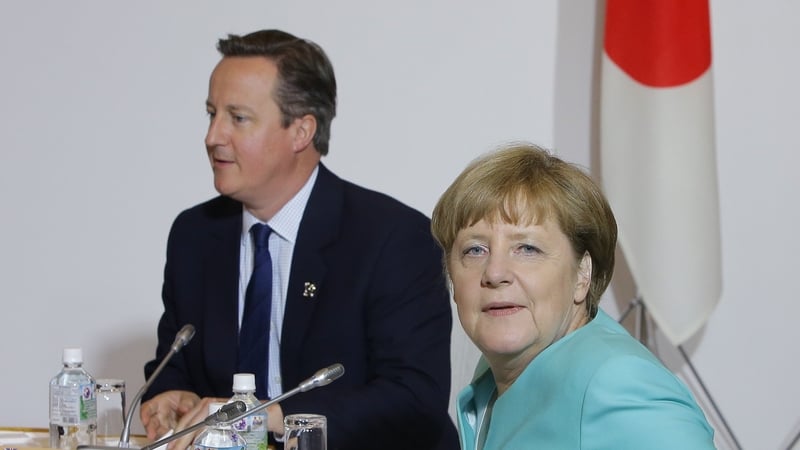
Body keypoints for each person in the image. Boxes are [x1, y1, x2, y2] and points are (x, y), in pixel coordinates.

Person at [139, 29, 458, 450]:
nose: (212, 136)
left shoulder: (391, 238)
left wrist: (272, 416)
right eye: (211, 113)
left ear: (301, 131)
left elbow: (414, 398)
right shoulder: (195, 236)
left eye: (237, 118)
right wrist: (169, 396)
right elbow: (175, 363)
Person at [430, 143, 716, 449]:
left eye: (527, 249)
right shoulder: (496, 378)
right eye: (475, 250)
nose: (495, 272)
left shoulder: (615, 380)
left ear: (582, 274)